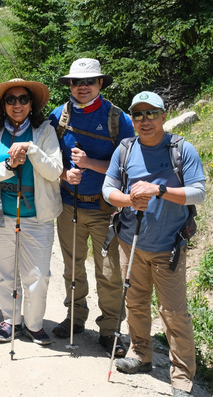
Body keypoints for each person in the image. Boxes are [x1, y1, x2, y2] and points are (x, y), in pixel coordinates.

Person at [103, 92, 205, 397]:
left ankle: (182, 377)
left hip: (168, 246)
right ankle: (140, 355)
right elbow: (109, 189)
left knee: (173, 311)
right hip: (130, 241)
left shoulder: (181, 150)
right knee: (134, 302)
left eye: (151, 114)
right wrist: (129, 200)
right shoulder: (124, 149)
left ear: (163, 116)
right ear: (132, 120)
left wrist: (159, 189)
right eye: (138, 115)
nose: (145, 121)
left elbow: (198, 193)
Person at [48, 58, 135, 356]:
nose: (82, 87)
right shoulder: (57, 117)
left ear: (100, 83)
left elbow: (128, 165)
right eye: (76, 82)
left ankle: (110, 329)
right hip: (67, 205)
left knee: (108, 272)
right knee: (72, 268)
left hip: (104, 208)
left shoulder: (117, 119)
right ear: (70, 85)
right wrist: (63, 174)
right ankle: (74, 318)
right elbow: (47, 159)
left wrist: (88, 164)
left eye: (89, 81)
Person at [0, 79, 63, 344]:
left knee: (38, 276)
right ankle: (9, 321)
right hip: (1, 213)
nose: (17, 105)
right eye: (11, 100)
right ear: (3, 105)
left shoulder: (45, 131)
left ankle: (34, 324)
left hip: (37, 217)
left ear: (31, 104)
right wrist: (8, 164)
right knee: (6, 275)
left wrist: (31, 150)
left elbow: (54, 171)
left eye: (23, 99)